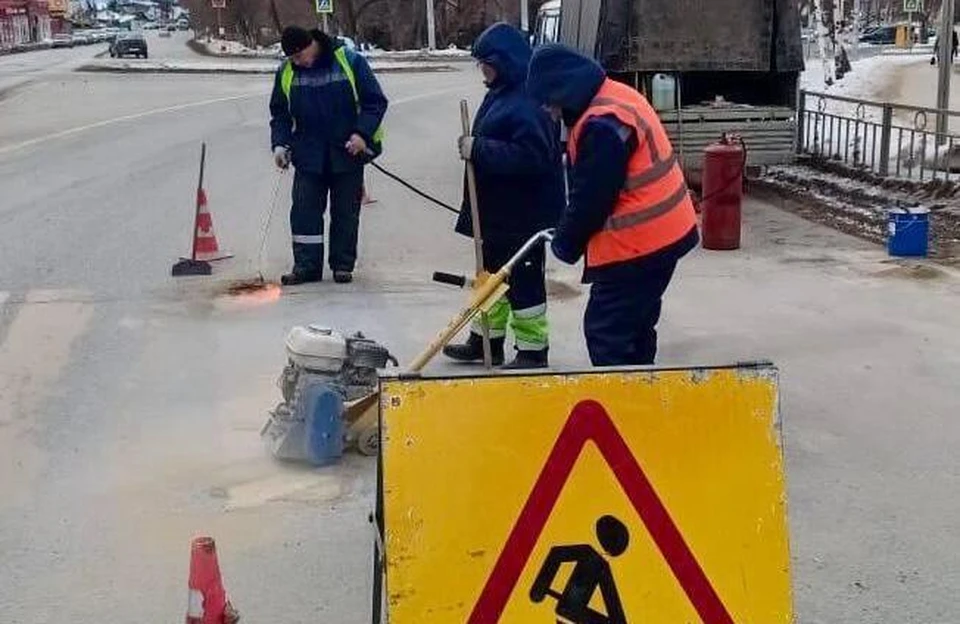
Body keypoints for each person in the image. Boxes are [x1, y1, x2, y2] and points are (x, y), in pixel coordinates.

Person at [526, 44, 699, 367]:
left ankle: (622, 408)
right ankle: (641, 394)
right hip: (666, 234)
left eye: (550, 102)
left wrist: (566, 243)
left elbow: (593, 197)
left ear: (564, 90)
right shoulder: (615, 94)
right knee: (636, 327)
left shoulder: (601, 125)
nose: (550, 111)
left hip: (640, 245)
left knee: (607, 333)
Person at [442, 22, 565, 369]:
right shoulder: (501, 92)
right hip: (496, 215)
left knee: (524, 285)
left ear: (505, 61)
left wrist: (479, 149)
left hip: (522, 216)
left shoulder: (529, 100)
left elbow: (531, 157)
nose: (483, 70)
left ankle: (531, 351)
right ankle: (486, 342)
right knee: (491, 280)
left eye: (487, 63)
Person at [270, 26, 388, 285]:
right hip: (308, 155)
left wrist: (361, 134)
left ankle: (342, 265)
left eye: (299, 55)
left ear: (311, 44)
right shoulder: (287, 72)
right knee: (304, 212)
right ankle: (306, 266)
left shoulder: (349, 61)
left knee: (345, 212)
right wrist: (280, 144)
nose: (297, 62)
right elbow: (280, 113)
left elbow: (375, 102)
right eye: (292, 58)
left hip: (346, 152)